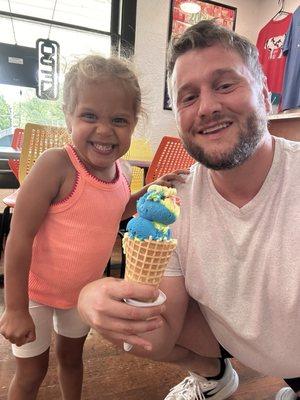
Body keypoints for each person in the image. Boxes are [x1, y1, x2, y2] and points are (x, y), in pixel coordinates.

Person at [77, 21, 300, 400]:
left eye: (225, 85)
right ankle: (214, 375)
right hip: (231, 340)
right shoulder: (172, 201)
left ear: (264, 95)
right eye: (188, 97)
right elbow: (163, 334)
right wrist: (101, 305)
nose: (208, 107)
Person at [0, 55, 186, 400]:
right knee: (31, 372)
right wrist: (15, 307)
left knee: (72, 360)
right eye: (89, 116)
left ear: (133, 124)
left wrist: (151, 188)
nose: (104, 130)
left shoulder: (124, 171)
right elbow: (20, 236)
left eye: (119, 120)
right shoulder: (55, 164)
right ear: (68, 115)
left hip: (81, 295)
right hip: (34, 295)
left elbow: (116, 209)